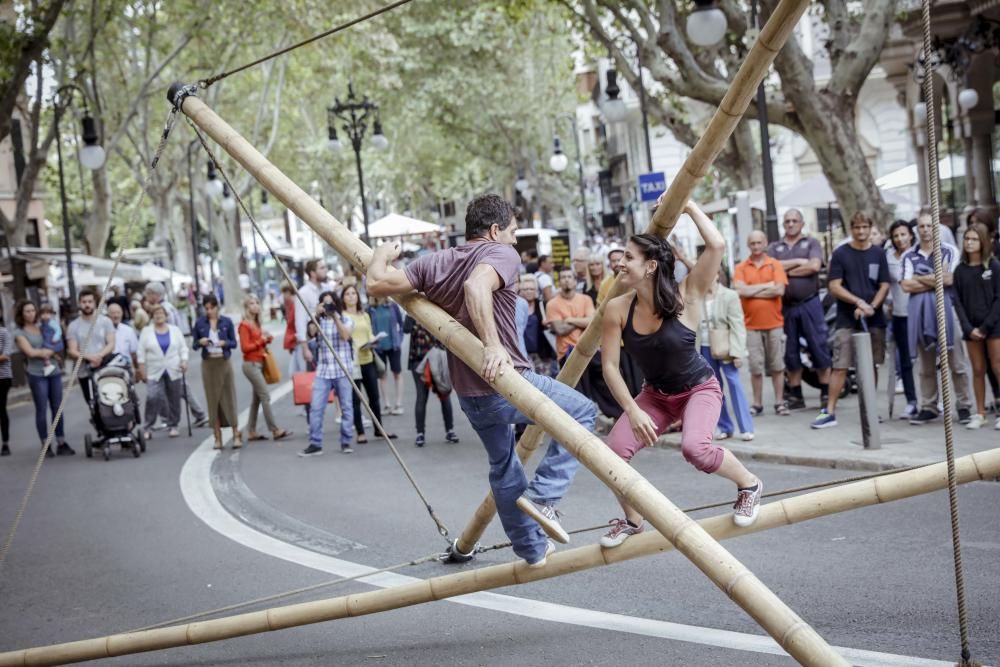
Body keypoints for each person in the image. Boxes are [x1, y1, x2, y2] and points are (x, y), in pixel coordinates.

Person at [367, 193, 597, 568]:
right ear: (494, 230)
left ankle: (532, 550)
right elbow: (476, 287)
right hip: (507, 383)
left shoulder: (435, 262)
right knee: (583, 413)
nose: (514, 240)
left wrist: (381, 255)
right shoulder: (501, 254)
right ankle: (544, 497)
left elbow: (375, 285)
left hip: (470, 395)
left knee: (504, 466)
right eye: (512, 232)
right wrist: (492, 345)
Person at [599, 200, 762, 548]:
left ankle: (748, 484)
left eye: (628, 257)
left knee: (695, 448)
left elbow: (716, 245)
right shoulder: (616, 309)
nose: (619, 262)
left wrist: (687, 206)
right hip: (654, 395)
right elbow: (610, 367)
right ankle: (632, 520)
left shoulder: (688, 293)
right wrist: (633, 409)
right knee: (610, 454)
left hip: (699, 389)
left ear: (650, 267)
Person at [812, 212, 890, 429]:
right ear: (851, 229)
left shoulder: (878, 253)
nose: (861, 231)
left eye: (865, 227)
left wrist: (871, 307)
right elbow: (834, 286)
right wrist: (859, 303)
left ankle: (871, 410)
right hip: (846, 319)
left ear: (870, 227)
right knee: (840, 365)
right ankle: (829, 411)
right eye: (857, 227)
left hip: (874, 319)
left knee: (871, 364)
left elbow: (885, 284)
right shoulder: (840, 253)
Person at [902, 211, 973, 426]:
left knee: (956, 361)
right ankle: (929, 406)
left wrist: (919, 278)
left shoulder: (950, 251)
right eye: (921, 226)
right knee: (926, 365)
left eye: (929, 226)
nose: (925, 230)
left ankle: (964, 406)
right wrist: (935, 277)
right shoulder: (909, 255)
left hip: (947, 310)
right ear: (917, 230)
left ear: (936, 228)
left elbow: (950, 279)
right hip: (919, 314)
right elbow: (906, 285)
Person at [767, 209, 831, 409]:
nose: (791, 224)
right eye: (787, 221)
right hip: (785, 306)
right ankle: (795, 395)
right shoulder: (774, 247)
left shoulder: (811, 243)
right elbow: (770, 268)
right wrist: (796, 263)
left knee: (818, 346)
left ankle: (826, 391)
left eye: (795, 220)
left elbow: (814, 266)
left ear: (802, 223)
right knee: (790, 351)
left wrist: (783, 271)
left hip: (810, 303)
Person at [734, 231, 789, 416]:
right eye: (752, 243)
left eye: (759, 243)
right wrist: (767, 286)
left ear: (765, 243)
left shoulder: (775, 265)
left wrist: (752, 291)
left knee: (777, 365)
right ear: (748, 245)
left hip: (774, 323)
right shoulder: (741, 267)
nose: (756, 247)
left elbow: (779, 290)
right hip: (751, 325)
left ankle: (780, 402)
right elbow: (740, 291)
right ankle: (757, 404)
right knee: (755, 367)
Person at [951, 222, 999, 429]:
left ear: (983, 242)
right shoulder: (960, 270)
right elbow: (957, 301)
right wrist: (968, 328)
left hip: (994, 326)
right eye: (967, 239)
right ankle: (979, 413)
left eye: (974, 239)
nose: (969, 243)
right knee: (977, 369)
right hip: (971, 328)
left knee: (997, 367)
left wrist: (986, 326)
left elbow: (999, 299)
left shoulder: (994, 265)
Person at [697, 268, 754, 441]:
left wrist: (738, 353)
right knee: (714, 389)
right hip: (704, 348)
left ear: (717, 275)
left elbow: (738, 326)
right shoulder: (696, 297)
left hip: (726, 348)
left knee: (734, 383)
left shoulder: (729, 295)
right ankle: (725, 426)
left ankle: (746, 428)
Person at [144, 281, 207, 426]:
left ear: (155, 294)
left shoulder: (164, 309)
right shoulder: (167, 307)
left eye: (148, 293)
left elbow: (169, 331)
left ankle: (172, 418)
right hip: (170, 353)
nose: (146, 296)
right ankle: (195, 414)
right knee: (180, 388)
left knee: (176, 387)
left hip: (170, 354)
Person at [13, 300, 72, 456]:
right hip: (37, 373)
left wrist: (51, 351)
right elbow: (30, 352)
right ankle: (45, 444)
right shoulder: (20, 332)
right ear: (21, 314)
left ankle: (61, 441)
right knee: (41, 409)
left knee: (57, 407)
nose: (31, 314)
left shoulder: (43, 326)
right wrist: (49, 352)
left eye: (33, 310)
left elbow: (57, 341)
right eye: (27, 311)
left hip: (54, 371)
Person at [300, 290, 355, 456]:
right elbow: (310, 333)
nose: (328, 306)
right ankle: (315, 443)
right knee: (316, 408)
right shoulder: (319, 322)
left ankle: (346, 442)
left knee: (346, 407)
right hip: (323, 371)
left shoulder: (346, 319)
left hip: (342, 369)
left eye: (331, 303)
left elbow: (345, 336)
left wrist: (335, 317)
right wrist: (316, 315)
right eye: (325, 304)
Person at [342, 285, 397, 444]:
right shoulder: (343, 316)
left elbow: (369, 333)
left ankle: (379, 429)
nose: (351, 296)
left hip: (368, 358)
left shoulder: (364, 315)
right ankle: (360, 432)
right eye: (347, 294)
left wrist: (374, 340)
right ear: (343, 298)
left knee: (374, 396)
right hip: (353, 362)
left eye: (354, 293)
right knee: (356, 399)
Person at [239, 294, 293, 442]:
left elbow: (258, 342)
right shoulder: (244, 325)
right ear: (246, 307)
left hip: (260, 362)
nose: (255, 306)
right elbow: (244, 348)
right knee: (265, 396)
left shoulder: (256, 324)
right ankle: (274, 429)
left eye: (257, 303)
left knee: (256, 399)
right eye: (251, 304)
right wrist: (260, 341)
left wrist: (266, 339)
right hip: (251, 364)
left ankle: (251, 430)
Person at [192, 295, 241, 449]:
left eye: (211, 308)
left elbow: (234, 343)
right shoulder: (200, 323)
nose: (209, 311)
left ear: (217, 307)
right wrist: (200, 342)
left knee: (229, 398)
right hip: (209, 364)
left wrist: (224, 342)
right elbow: (194, 344)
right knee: (213, 400)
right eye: (206, 309)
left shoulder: (226, 321)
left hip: (223, 361)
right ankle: (217, 436)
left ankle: (236, 434)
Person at [404, 315, 459, 447]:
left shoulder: (437, 307)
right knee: (421, 396)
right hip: (419, 359)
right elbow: (405, 329)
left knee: (444, 393)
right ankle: (420, 433)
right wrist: (410, 313)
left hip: (439, 358)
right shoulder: (412, 309)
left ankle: (450, 430)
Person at [137, 304, 187, 439]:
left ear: (166, 316)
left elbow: (183, 348)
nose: (159, 316)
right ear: (152, 317)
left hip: (173, 368)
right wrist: (142, 370)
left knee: (174, 398)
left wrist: (184, 361)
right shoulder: (146, 331)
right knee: (152, 397)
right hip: (154, 370)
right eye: (155, 314)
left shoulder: (175, 330)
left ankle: (173, 425)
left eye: (161, 313)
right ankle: (148, 426)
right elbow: (140, 353)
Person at [885, 220, 919, 417]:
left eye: (903, 234)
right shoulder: (888, 257)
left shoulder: (919, 254)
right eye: (896, 235)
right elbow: (886, 283)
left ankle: (935, 401)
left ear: (910, 235)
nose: (900, 239)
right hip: (899, 314)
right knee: (905, 361)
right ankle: (911, 401)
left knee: (928, 360)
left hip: (920, 312)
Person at [66, 287, 116, 410]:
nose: (87, 305)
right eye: (84, 302)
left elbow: (111, 343)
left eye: (90, 301)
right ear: (79, 304)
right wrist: (90, 357)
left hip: (106, 367)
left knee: (111, 400)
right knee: (93, 404)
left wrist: (99, 356)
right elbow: (72, 350)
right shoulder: (73, 326)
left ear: (95, 303)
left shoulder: (105, 321)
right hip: (85, 371)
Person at [369, 296, 405, 415]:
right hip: (379, 347)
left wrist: (399, 339)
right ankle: (387, 405)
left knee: (397, 373)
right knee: (382, 375)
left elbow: (401, 323)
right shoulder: (370, 309)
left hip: (394, 345)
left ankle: (399, 403)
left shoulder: (392, 306)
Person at [295, 259, 332, 372]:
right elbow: (300, 322)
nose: (325, 270)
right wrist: (305, 349)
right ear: (312, 273)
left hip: (330, 341)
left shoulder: (327, 288)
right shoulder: (303, 293)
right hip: (314, 344)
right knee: (317, 382)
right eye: (321, 268)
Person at [518, 275, 558, 376]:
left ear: (536, 291)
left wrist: (548, 323)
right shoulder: (515, 306)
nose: (528, 291)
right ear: (520, 290)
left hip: (542, 354)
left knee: (545, 383)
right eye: (525, 289)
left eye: (531, 289)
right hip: (523, 354)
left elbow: (555, 324)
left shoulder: (543, 305)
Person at [107, 302, 139, 370]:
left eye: (118, 313)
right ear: (108, 315)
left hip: (126, 368)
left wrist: (137, 369)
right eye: (113, 313)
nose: (116, 315)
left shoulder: (129, 330)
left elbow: (134, 353)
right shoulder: (103, 330)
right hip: (107, 368)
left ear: (122, 314)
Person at [37, 303, 64, 377]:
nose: (45, 315)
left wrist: (56, 337)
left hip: (52, 340)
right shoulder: (41, 324)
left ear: (51, 314)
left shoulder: (52, 322)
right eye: (43, 313)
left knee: (47, 353)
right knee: (44, 351)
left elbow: (58, 330)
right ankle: (53, 361)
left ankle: (49, 365)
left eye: (47, 313)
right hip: (46, 340)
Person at [0, 317, 13, 456]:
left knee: (1, 409)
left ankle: (5, 443)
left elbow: (6, 355)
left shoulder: (4, 333)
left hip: (2, 377)